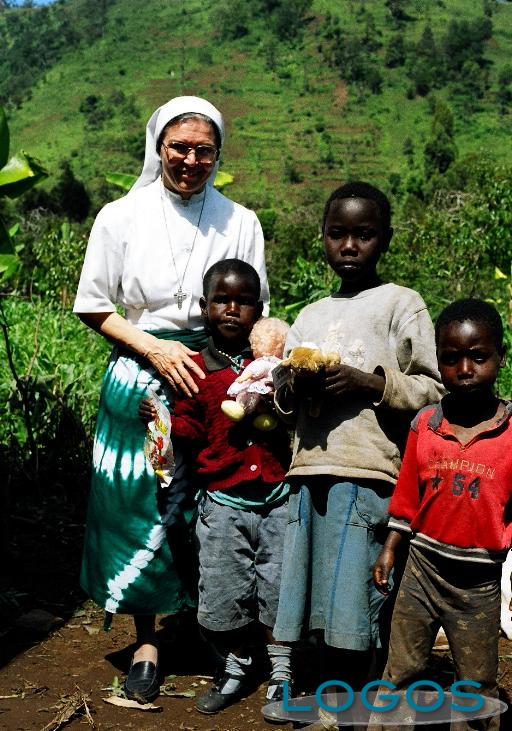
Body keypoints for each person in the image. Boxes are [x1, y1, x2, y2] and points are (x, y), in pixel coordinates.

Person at [73, 96, 269, 703]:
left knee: (211, 500)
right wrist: (155, 351)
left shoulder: (241, 222)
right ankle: (148, 641)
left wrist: (258, 369)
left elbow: (258, 308)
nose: (190, 160)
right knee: (140, 505)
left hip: (217, 377)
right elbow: (94, 304)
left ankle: (216, 628)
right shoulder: (119, 216)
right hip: (141, 369)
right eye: (178, 147)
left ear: (218, 154)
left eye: (203, 150)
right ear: (158, 146)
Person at [271, 181, 444, 689]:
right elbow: (284, 408)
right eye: (337, 234)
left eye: (364, 235)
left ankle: (360, 699)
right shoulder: (310, 316)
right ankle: (330, 689)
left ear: (384, 239)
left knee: (356, 601)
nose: (349, 246)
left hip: (368, 474)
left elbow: (433, 390)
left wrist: (371, 382)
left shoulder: (400, 304)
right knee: (313, 597)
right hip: (308, 473)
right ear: (322, 238)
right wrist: (291, 385)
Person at [140, 259, 292, 714]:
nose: (232, 309)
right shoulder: (194, 370)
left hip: (277, 499)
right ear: (205, 308)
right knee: (224, 590)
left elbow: (295, 416)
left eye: (244, 302)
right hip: (222, 504)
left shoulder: (273, 365)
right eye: (222, 300)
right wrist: (161, 422)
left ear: (259, 310)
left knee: (278, 587)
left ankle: (282, 671)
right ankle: (236, 663)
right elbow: (187, 428)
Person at [373, 299, 510, 731]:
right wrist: (390, 551)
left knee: (475, 682)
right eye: (450, 359)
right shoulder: (425, 425)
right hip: (421, 571)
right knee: (400, 670)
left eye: (478, 356)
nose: (464, 368)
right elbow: (406, 498)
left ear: (500, 358)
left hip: (479, 582)